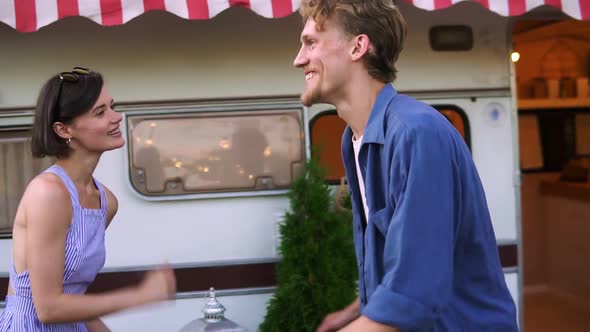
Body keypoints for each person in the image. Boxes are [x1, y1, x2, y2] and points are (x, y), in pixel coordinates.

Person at [292, 1, 518, 331]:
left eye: (311, 42)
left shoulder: (416, 133)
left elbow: (415, 292)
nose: (298, 59)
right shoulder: (354, 140)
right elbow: (399, 261)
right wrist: (355, 312)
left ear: (358, 46)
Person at [0, 67, 176, 331]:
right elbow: (48, 308)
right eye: (100, 112)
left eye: (112, 107)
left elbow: (74, 301)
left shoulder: (106, 202)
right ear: (63, 129)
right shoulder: (47, 193)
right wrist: (140, 296)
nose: (116, 117)